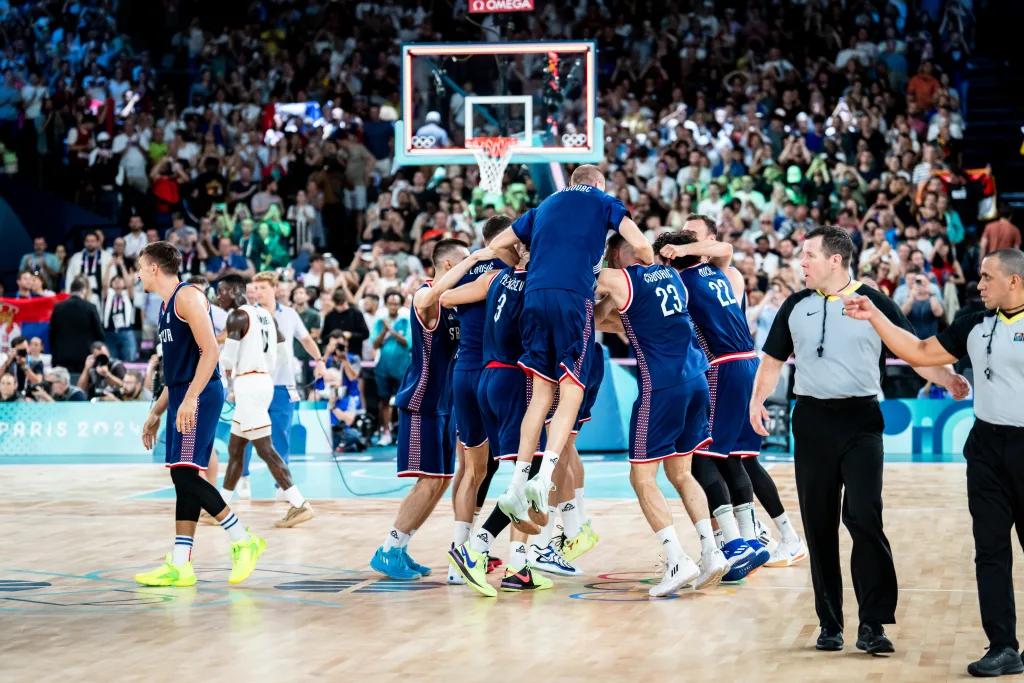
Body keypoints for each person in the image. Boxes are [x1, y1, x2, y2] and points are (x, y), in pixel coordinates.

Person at [749, 226, 966, 654]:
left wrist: (946, 377)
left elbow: (912, 348)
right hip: (811, 421)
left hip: (862, 420)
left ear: (835, 260)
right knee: (819, 524)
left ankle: (874, 624)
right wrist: (757, 401)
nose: (802, 262)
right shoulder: (795, 305)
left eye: (809, 255)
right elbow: (773, 360)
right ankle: (830, 624)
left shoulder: (872, 301)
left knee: (865, 518)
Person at [843, 248, 1024, 677]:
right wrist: (875, 316)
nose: (978, 286)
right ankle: (1003, 646)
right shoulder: (975, 325)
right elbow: (921, 352)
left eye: (986, 278)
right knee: (990, 552)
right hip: (985, 448)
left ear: (1014, 281)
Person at [486, 164, 654, 528]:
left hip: (534, 295)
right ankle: (544, 478)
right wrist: (654, 271)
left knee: (540, 395)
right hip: (571, 298)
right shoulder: (603, 200)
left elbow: (495, 243)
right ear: (597, 183)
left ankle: (517, 483)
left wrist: (525, 260)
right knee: (571, 392)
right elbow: (639, 243)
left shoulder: (543, 206)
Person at [661, 218, 808, 570]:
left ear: (706, 240)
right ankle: (769, 536)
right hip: (743, 364)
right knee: (738, 458)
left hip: (724, 366)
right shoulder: (716, 273)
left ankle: (740, 539)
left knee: (705, 457)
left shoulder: (714, 273)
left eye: (694, 234)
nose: (688, 238)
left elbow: (724, 249)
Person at [593, 234, 728, 597]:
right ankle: (712, 552)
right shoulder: (672, 277)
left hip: (662, 386)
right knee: (681, 473)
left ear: (619, 254)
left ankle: (676, 559)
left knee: (641, 477)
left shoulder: (621, 278)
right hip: (697, 378)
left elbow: (585, 278)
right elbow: (618, 320)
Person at [134, 241, 265, 588]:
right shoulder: (165, 306)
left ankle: (243, 539)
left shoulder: (187, 297)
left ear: (153, 268)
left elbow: (211, 353)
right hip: (182, 393)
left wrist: (191, 399)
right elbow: (177, 372)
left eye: (140, 267)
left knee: (187, 476)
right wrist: (156, 412)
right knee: (182, 478)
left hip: (202, 393)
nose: (137, 273)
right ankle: (181, 564)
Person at [368, 239, 490, 581]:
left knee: (441, 481)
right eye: (465, 261)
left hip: (447, 400)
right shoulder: (427, 294)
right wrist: (476, 258)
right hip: (423, 398)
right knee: (428, 481)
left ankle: (401, 547)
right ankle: (389, 549)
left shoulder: (457, 299)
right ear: (450, 266)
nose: (473, 265)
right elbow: (425, 299)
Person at [444, 242, 560, 594]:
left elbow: (446, 297)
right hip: (515, 380)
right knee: (528, 476)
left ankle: (518, 566)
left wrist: (476, 259)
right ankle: (475, 548)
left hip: (486, 376)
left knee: (518, 475)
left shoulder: (496, 277)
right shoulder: (539, 288)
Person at [441, 217, 509, 585]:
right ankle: (524, 559)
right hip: (497, 372)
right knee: (524, 468)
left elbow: (443, 295)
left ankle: (458, 557)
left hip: (462, 372)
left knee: (471, 470)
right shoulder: (514, 269)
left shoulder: (469, 270)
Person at [218, 278, 314, 528]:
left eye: (221, 293)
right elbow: (284, 355)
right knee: (236, 448)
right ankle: (219, 507)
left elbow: (227, 360)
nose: (218, 299)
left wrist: (226, 374)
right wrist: (266, 370)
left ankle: (299, 503)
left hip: (248, 384)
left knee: (264, 448)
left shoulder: (237, 317)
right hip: (263, 381)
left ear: (233, 292)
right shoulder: (267, 316)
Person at [238, 271, 325, 498]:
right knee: (247, 433)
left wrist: (320, 360)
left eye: (263, 288)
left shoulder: (290, 314)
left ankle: (282, 485)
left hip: (282, 385)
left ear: (275, 289)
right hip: (253, 384)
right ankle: (243, 477)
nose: (258, 292)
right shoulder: (246, 314)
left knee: (281, 437)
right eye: (255, 288)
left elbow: (305, 339)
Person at [371, 288, 412, 446]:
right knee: (384, 400)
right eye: (390, 303)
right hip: (382, 367)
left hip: (402, 367)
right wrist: (384, 331)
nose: (393, 306)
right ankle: (386, 432)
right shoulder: (380, 322)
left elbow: (408, 343)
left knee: (402, 401)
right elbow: (375, 344)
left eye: (396, 304)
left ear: (400, 305)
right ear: (386, 304)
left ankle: (402, 433)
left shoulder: (406, 320)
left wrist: (392, 331)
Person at [49, 277, 104, 376]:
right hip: (84, 358)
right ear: (84, 290)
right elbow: (100, 335)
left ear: (71, 290)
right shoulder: (90, 307)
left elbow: (52, 334)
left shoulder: (58, 307)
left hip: (62, 358)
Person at [102, 273, 137, 361]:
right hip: (110, 332)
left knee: (129, 361)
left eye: (120, 280)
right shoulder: (108, 295)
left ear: (124, 283)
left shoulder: (128, 295)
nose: (117, 282)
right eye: (114, 280)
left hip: (126, 332)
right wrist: (109, 266)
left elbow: (129, 285)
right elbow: (105, 285)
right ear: (111, 284)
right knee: (111, 361)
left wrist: (122, 266)